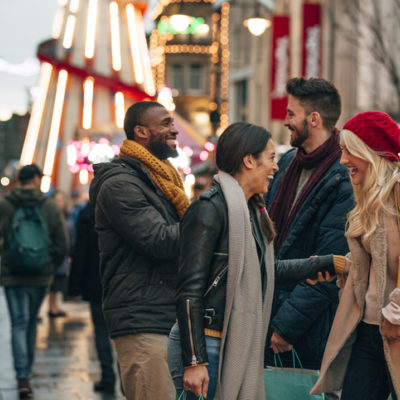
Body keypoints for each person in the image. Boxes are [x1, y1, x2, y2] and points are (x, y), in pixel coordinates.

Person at [168, 122, 338, 400]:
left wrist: (327, 263)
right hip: (206, 344)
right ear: (248, 160)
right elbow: (189, 291)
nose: (275, 168)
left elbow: (268, 271)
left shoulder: (255, 213)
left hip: (234, 343)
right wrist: (195, 360)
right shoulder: (209, 209)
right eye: (270, 158)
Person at [89, 101, 190, 400]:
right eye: (166, 123)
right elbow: (159, 239)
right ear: (141, 131)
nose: (174, 129)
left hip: (164, 315)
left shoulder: (162, 178)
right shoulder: (120, 184)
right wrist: (208, 219)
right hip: (143, 320)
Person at [264, 77, 354, 373]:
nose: (286, 120)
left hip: (304, 327)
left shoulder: (343, 176)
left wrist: (287, 327)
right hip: (267, 309)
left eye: (291, 113)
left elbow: (331, 263)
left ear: (313, 119)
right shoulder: (288, 163)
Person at [311, 111, 400, 400]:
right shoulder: (370, 197)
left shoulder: (397, 193)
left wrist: (395, 314)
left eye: (349, 150)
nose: (343, 160)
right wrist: (344, 269)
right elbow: (377, 264)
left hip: (394, 328)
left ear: (371, 152)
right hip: (367, 329)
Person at [0, 164, 68, 399]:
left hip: (12, 275)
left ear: (19, 180)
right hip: (40, 275)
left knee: (18, 323)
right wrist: (49, 265)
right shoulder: (48, 205)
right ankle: (26, 371)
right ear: (37, 179)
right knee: (29, 324)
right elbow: (62, 243)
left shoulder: (5, 205)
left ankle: (22, 377)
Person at [68, 202, 117, 394]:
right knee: (124, 334)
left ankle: (107, 378)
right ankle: (124, 380)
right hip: (119, 282)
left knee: (101, 332)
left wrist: (74, 286)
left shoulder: (88, 212)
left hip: (94, 281)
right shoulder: (120, 207)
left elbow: (79, 251)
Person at [48, 190, 74, 318]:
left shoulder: (68, 216)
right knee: (52, 284)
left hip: (64, 255)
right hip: (54, 253)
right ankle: (52, 307)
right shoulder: (51, 216)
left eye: (60, 200)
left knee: (59, 283)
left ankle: (55, 306)